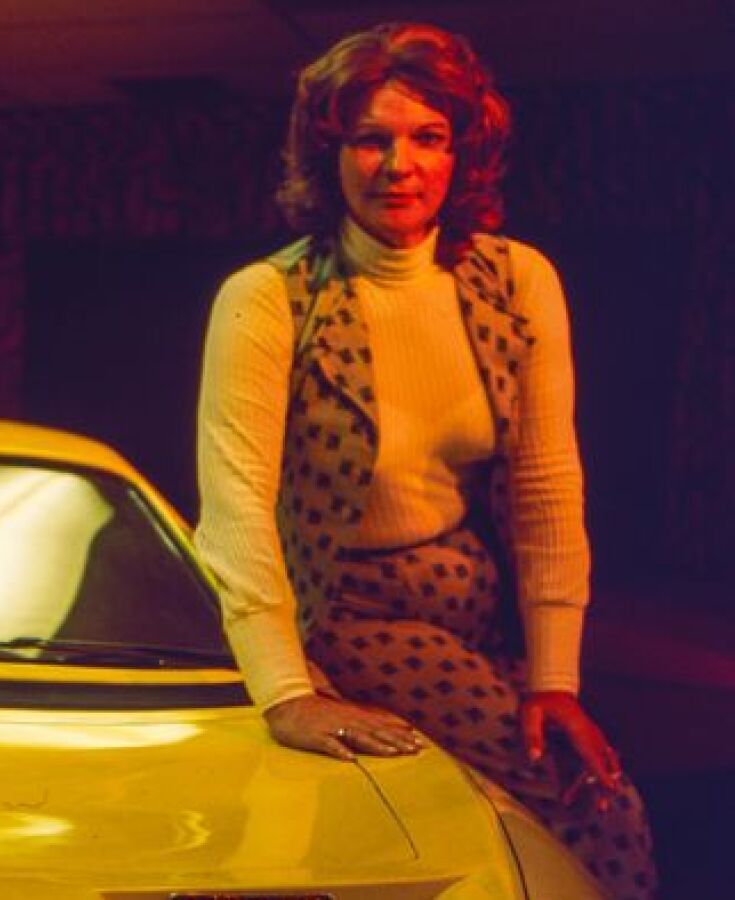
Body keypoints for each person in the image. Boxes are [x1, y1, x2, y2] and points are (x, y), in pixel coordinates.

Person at [192, 22, 656, 899]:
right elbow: (234, 507)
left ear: (460, 151)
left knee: (548, 811)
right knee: (595, 814)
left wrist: (555, 676)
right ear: (329, 154)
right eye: (369, 139)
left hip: (474, 609)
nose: (396, 165)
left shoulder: (514, 281)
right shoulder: (270, 298)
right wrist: (286, 692)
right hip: (350, 612)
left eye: (427, 137)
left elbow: (546, 485)